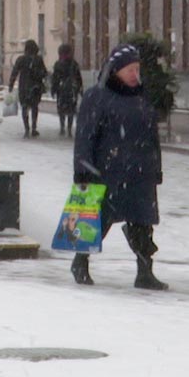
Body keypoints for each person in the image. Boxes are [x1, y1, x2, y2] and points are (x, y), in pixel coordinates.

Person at [71, 44, 168, 290]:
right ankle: (80, 263)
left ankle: (145, 272)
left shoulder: (140, 97)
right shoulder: (97, 97)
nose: (135, 74)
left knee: (143, 224)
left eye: (137, 69)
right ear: (115, 71)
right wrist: (83, 168)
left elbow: (151, 136)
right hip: (107, 171)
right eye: (130, 70)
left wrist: (155, 167)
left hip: (140, 173)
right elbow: (85, 136)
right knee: (97, 220)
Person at [9, 39, 49, 138]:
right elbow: (44, 73)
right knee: (35, 107)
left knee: (24, 107)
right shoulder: (38, 59)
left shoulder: (21, 59)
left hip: (24, 87)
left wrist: (11, 84)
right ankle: (34, 128)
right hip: (35, 87)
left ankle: (26, 128)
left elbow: (15, 72)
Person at [50, 44, 83, 137]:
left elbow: (55, 78)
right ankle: (69, 129)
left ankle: (62, 127)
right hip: (72, 90)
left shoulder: (58, 64)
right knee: (71, 110)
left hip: (61, 90)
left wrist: (53, 89)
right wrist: (80, 89)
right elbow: (78, 78)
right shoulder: (74, 63)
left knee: (61, 109)